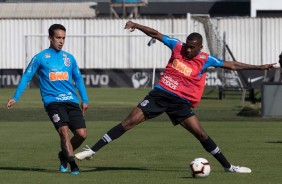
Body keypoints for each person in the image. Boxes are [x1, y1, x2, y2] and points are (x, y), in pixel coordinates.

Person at [75, 21, 275, 173]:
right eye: (187, 46)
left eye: (192, 47)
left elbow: (233, 65)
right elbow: (156, 34)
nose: (188, 50)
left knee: (201, 134)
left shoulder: (206, 60)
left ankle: (228, 166)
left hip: (181, 102)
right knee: (128, 122)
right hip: (160, 95)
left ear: (200, 48)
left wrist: (258, 67)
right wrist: (136, 25)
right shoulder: (177, 46)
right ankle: (92, 151)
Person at [6, 24, 89, 175]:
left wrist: (85, 99)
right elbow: (27, 77)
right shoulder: (40, 58)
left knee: (82, 134)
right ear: (50, 38)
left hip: (71, 101)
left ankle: (63, 155)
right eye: (58, 38)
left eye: (63, 38)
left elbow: (78, 79)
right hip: (53, 102)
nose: (61, 41)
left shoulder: (69, 58)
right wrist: (15, 97)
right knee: (64, 132)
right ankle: (73, 165)